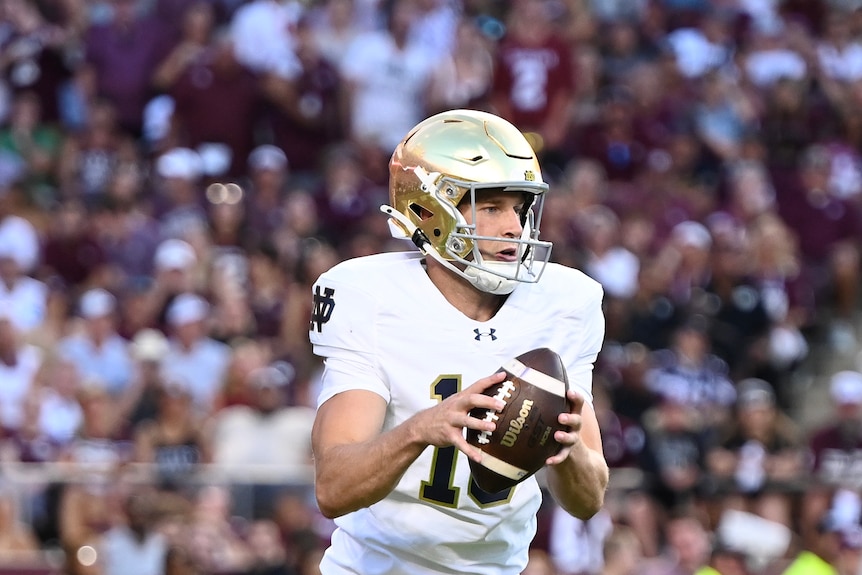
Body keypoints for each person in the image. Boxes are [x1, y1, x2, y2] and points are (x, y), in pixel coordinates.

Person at [309, 109, 609, 574]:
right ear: (429, 211)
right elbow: (333, 488)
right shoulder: (370, 297)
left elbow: (589, 501)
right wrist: (419, 429)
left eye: (520, 207)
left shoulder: (566, 301)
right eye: (490, 207)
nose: (514, 227)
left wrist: (566, 454)